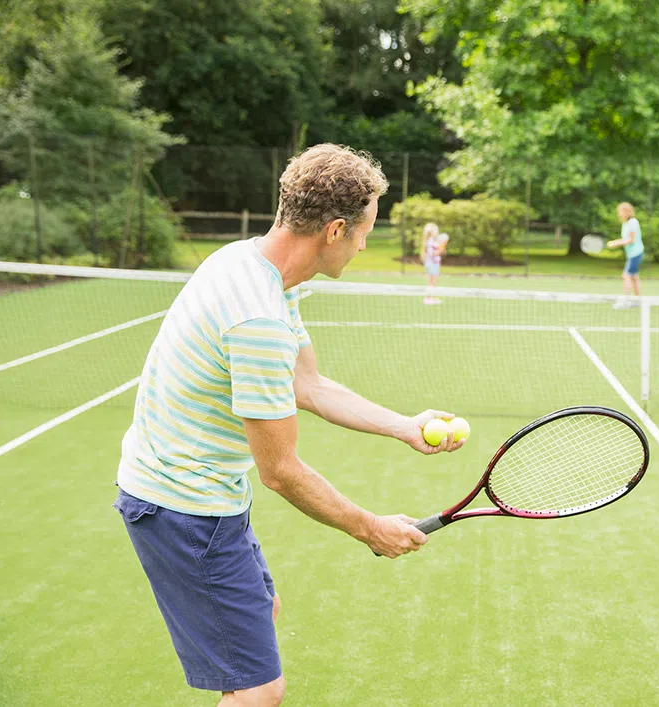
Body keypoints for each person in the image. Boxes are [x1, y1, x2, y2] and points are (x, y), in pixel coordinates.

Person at [112, 144, 465, 706]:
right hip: (181, 505)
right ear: (335, 229)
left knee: (263, 610)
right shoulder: (258, 320)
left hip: (206, 493)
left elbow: (310, 386)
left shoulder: (254, 267)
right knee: (260, 692)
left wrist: (403, 425)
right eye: (366, 230)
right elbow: (280, 471)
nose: (366, 243)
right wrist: (370, 527)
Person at [606, 202, 644, 306]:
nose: (619, 214)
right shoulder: (625, 224)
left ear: (627, 212)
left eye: (621, 212)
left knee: (626, 275)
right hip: (631, 254)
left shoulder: (633, 222)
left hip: (636, 254)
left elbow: (631, 240)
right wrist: (615, 241)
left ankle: (625, 301)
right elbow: (625, 239)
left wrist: (616, 243)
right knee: (634, 277)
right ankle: (637, 301)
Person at [421, 222, 446, 304]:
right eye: (436, 230)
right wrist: (441, 249)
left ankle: (431, 297)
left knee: (433, 281)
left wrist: (442, 247)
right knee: (432, 281)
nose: (437, 232)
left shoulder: (434, 241)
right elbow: (433, 254)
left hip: (434, 263)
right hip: (432, 264)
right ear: (431, 232)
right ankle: (428, 298)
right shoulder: (431, 242)